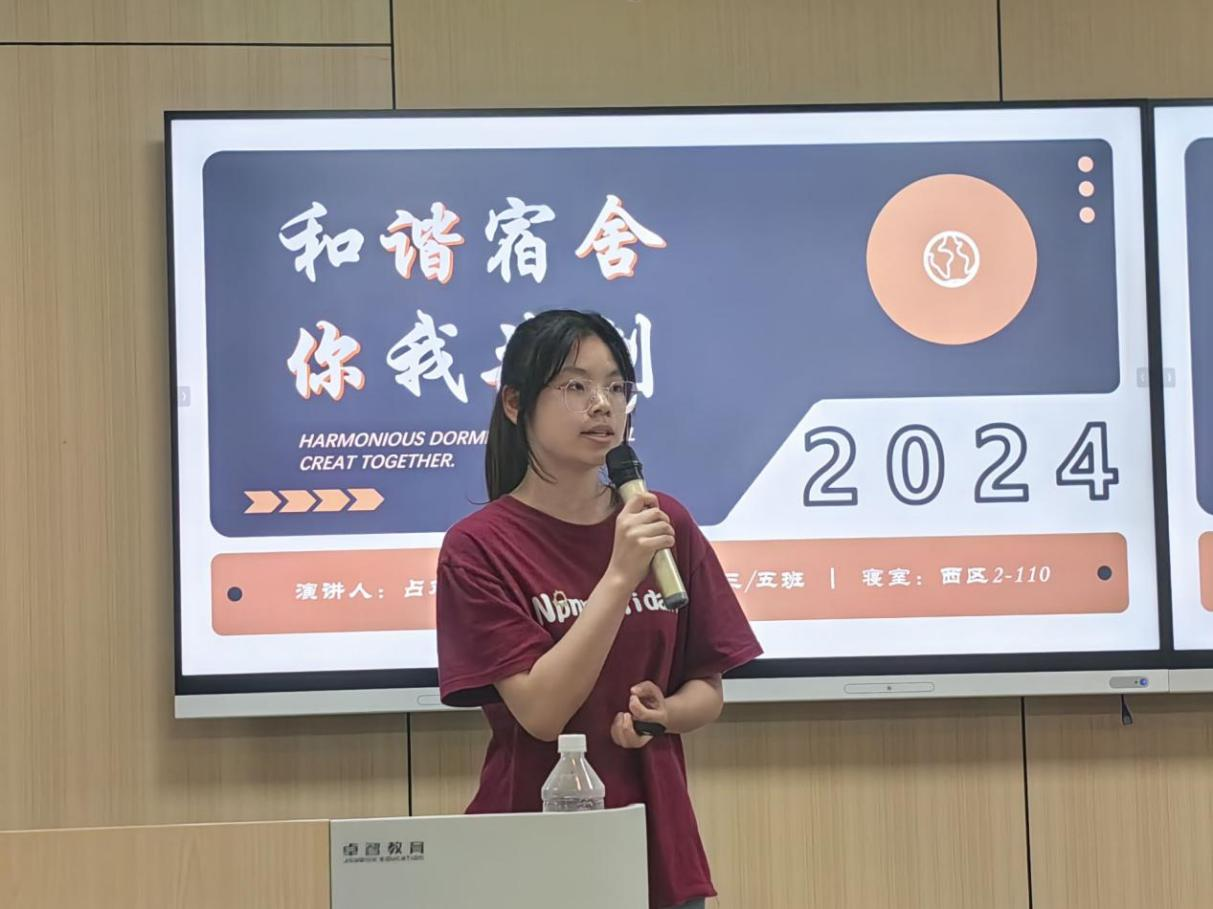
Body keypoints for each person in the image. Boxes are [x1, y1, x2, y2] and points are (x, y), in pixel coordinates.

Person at [435, 309, 762, 909]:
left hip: (657, 845)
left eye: (615, 387)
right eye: (575, 385)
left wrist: (663, 714)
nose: (602, 405)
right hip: (530, 847)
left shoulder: (663, 521)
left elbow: (707, 689)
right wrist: (618, 575)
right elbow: (541, 712)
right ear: (515, 403)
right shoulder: (479, 547)